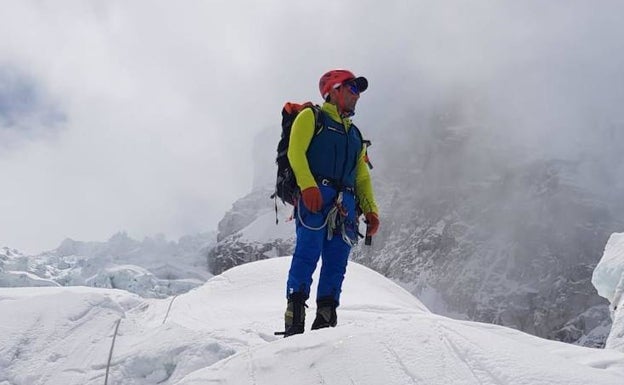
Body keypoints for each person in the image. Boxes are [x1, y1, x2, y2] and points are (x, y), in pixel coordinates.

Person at [282, 69, 380, 336]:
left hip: (345, 205)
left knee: (337, 262)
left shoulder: (355, 135)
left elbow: (361, 176)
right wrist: (307, 185)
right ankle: (295, 317)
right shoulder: (311, 117)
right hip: (316, 196)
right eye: (352, 88)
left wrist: (371, 210)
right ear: (333, 90)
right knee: (307, 252)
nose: (356, 95)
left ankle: (326, 319)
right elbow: (295, 152)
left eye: (357, 90)